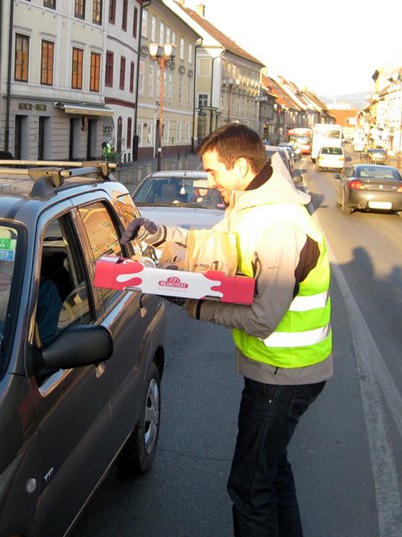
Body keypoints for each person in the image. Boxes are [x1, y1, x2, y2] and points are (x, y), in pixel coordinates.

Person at [121, 124, 332, 537]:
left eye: (213, 171)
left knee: (250, 488)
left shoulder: (280, 225)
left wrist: (192, 304)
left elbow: (262, 317)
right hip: (278, 369)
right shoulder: (252, 205)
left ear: (240, 167)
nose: (210, 180)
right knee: (272, 470)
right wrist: (158, 235)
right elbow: (213, 247)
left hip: (284, 375)